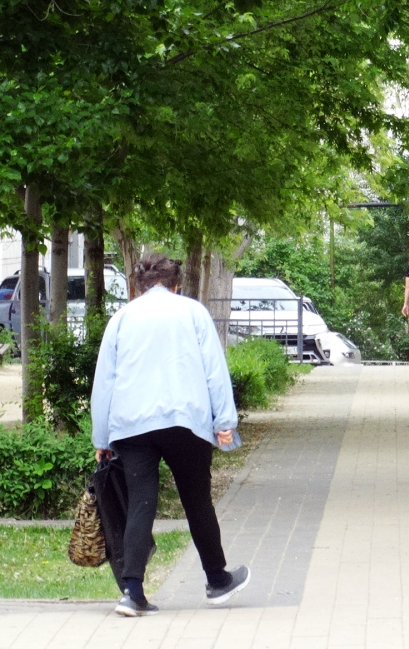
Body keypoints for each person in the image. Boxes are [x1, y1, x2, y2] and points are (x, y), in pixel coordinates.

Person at [91, 254, 251, 617]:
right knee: (197, 501)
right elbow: (214, 368)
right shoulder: (193, 313)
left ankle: (132, 592)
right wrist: (225, 421)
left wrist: (102, 438)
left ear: (138, 286)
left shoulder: (121, 319)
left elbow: (105, 383)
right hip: (186, 423)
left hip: (131, 426)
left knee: (140, 503)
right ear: (176, 284)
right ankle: (217, 580)